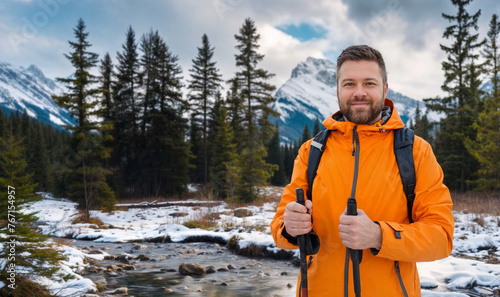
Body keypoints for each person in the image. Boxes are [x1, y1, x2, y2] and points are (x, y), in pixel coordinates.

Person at [270, 45, 454, 297]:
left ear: (385, 89)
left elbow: (442, 238)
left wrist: (380, 236)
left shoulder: (415, 152)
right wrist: (290, 227)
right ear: (337, 90)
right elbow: (279, 228)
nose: (359, 93)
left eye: (369, 83)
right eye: (349, 84)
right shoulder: (312, 151)